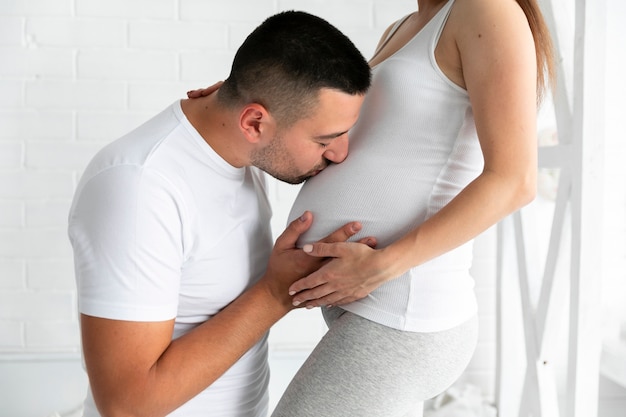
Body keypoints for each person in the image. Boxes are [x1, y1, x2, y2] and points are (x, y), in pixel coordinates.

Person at [192, 0, 555, 415]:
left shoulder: (485, 9)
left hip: (404, 307)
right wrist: (243, 93)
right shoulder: (405, 26)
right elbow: (340, 118)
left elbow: (514, 181)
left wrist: (383, 265)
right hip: (369, 305)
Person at [68, 11, 372, 417]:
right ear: (254, 122)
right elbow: (127, 405)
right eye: (325, 139)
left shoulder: (240, 149)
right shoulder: (138, 188)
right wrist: (275, 292)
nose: (339, 152)